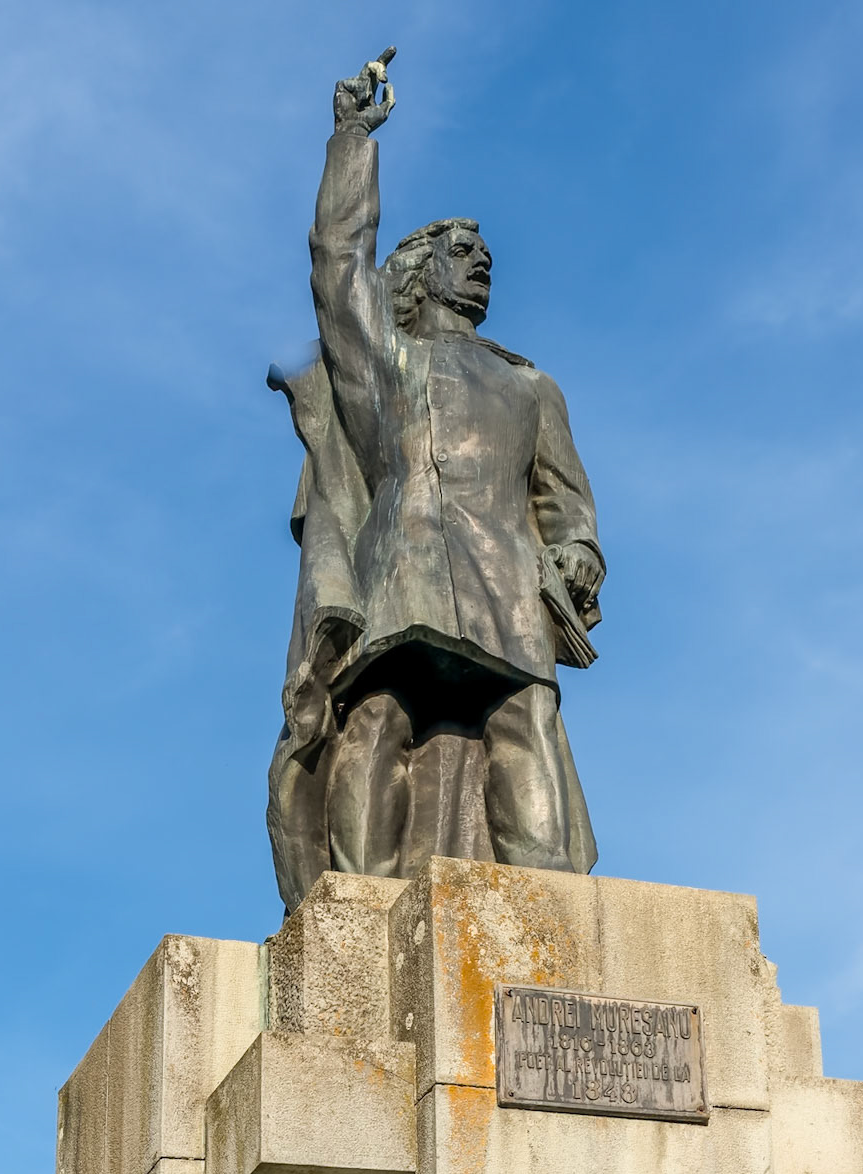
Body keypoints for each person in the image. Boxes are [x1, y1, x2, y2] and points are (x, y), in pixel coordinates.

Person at [266, 48, 605, 910]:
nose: (482, 259)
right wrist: (353, 141)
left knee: (524, 720)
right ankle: (356, 906)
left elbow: (567, 509)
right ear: (420, 273)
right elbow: (338, 267)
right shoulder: (385, 362)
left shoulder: (532, 388)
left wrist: (575, 559)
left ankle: (549, 915)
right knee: (379, 717)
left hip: (506, 584)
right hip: (402, 568)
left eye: (484, 250)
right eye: (462, 248)